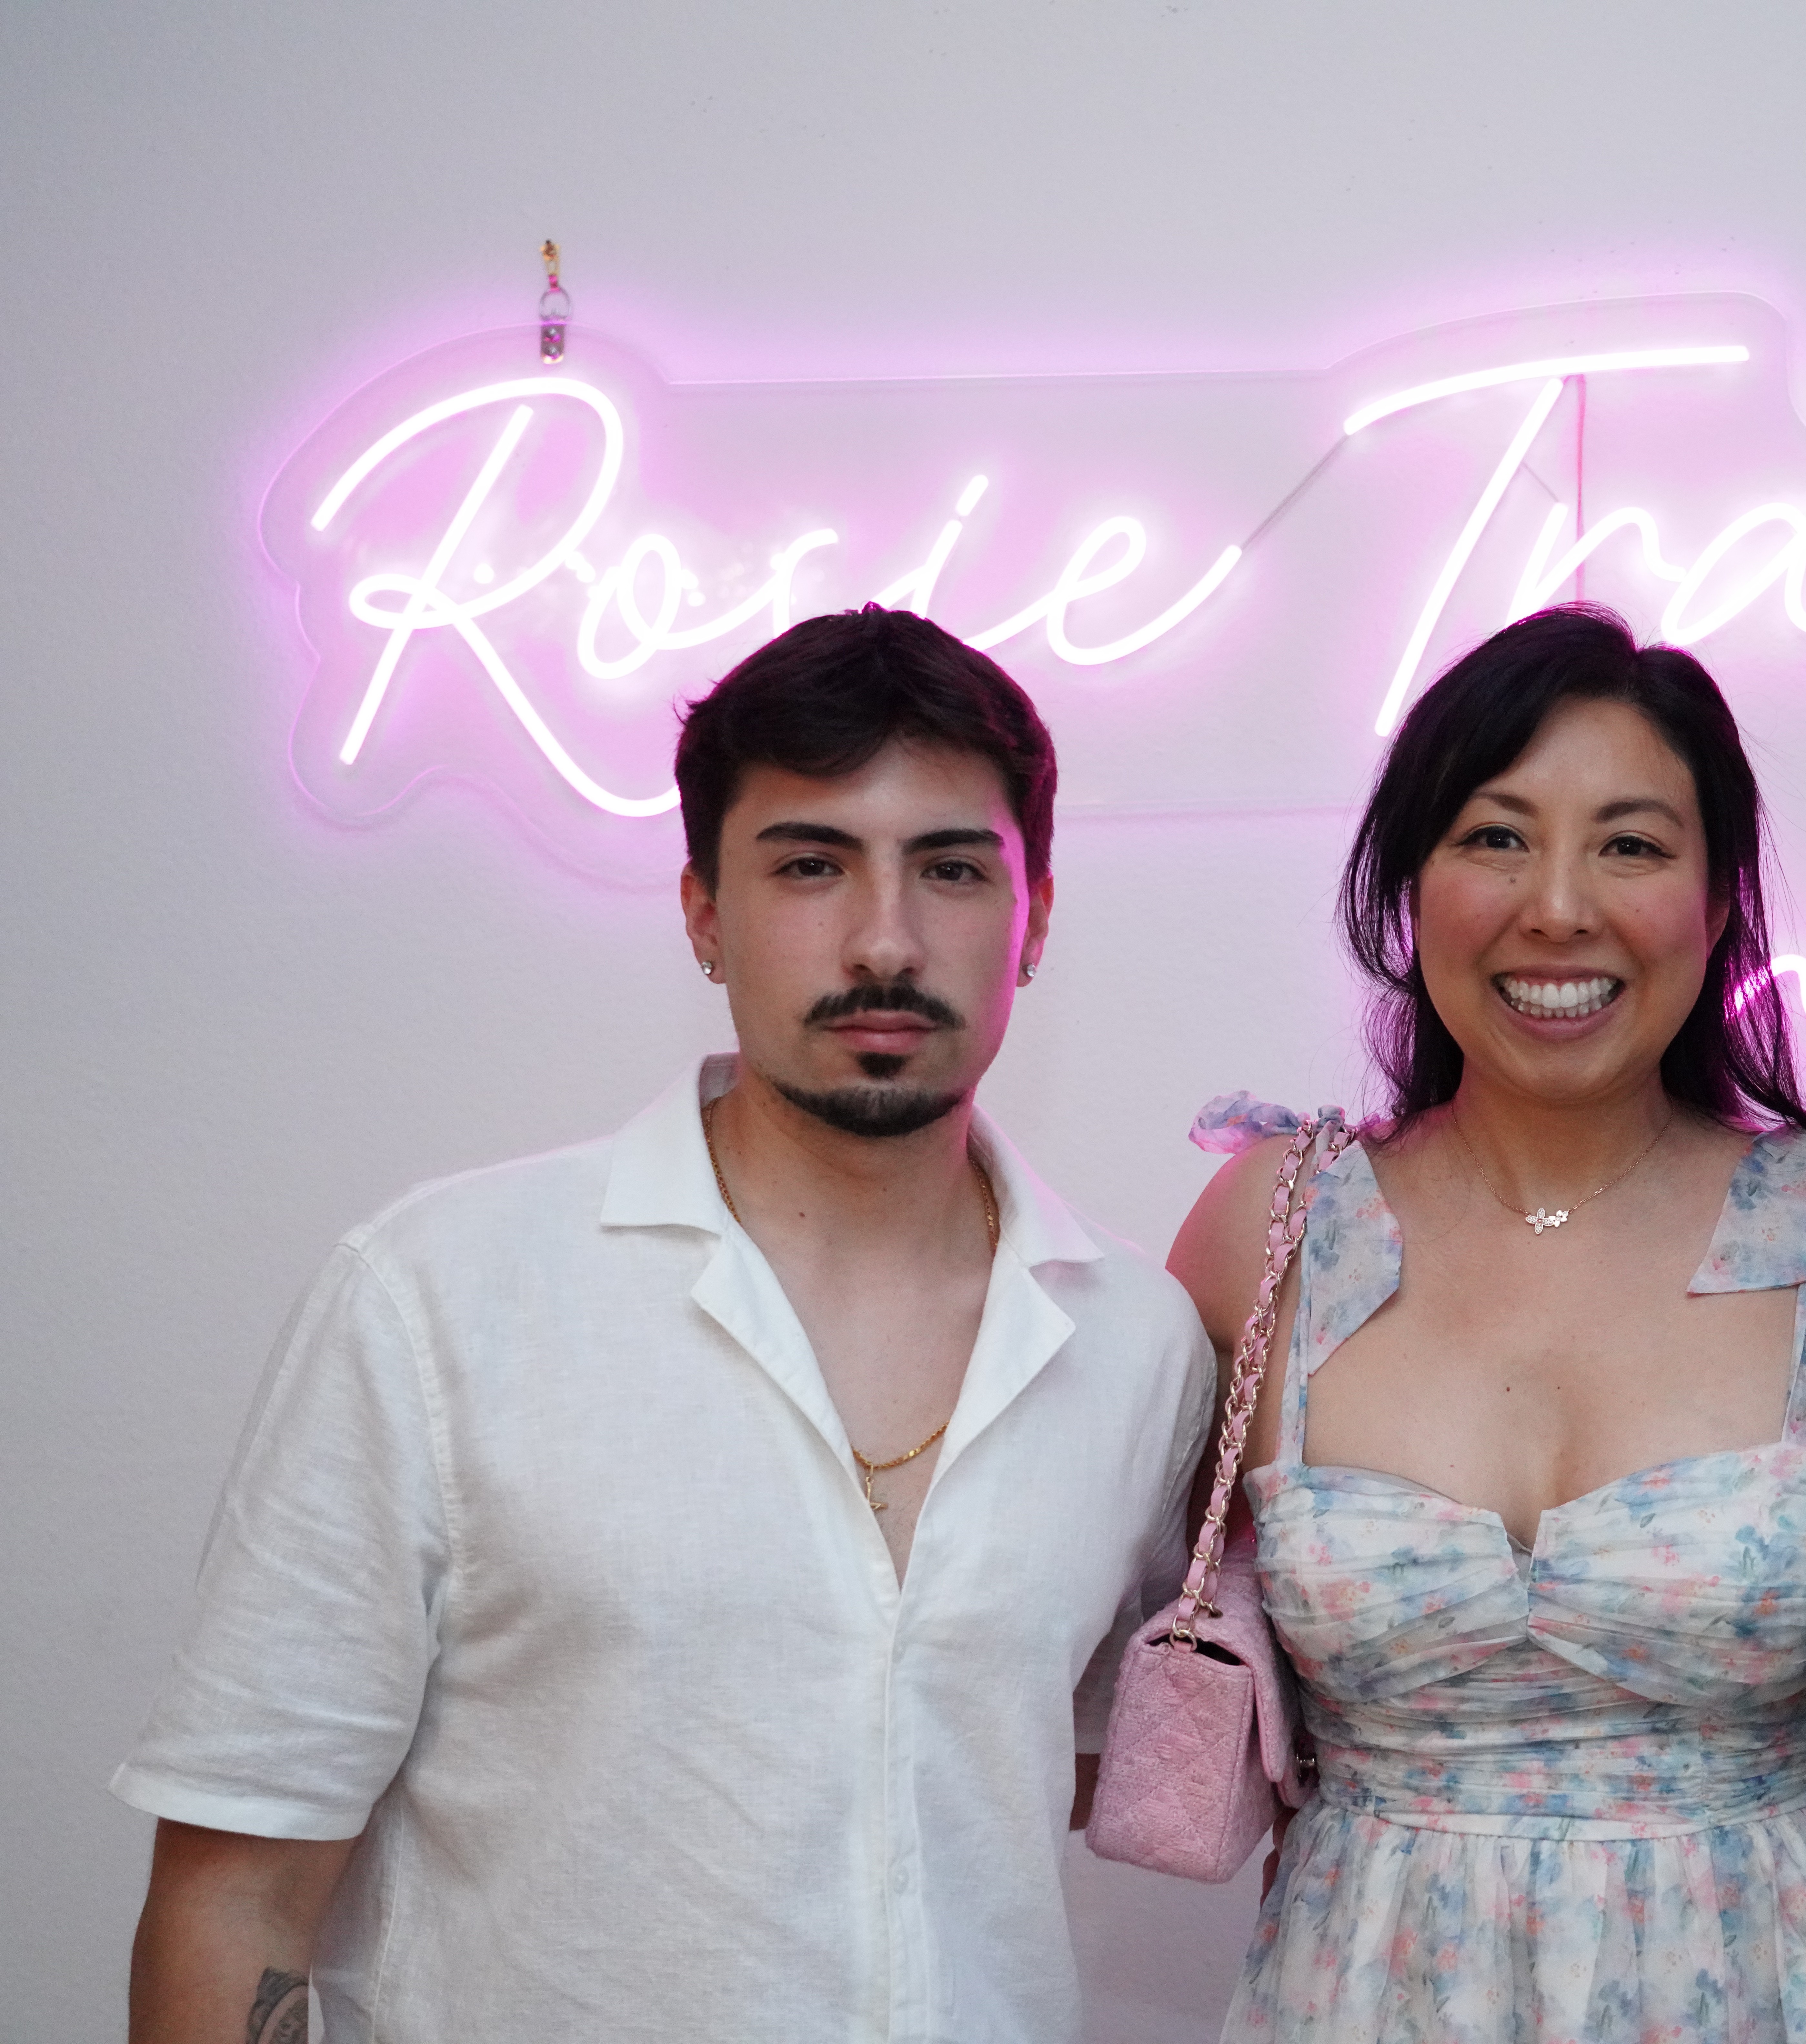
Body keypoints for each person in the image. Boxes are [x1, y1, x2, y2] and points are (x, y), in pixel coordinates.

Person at [115, 606, 1215, 2044]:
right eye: (811, 866)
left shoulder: (1139, 1341)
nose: (886, 941)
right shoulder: (442, 1297)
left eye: (951, 869)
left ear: (1038, 916)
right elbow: (241, 1889)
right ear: (703, 911)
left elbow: (1029, 1784)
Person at [1165, 605, 1806, 2042]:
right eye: (1496, 837)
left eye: (1630, 844)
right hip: (1368, 1992)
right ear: (1408, 888)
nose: (1558, 906)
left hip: (1776, 1988)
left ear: (1718, 900)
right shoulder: (1275, 1224)